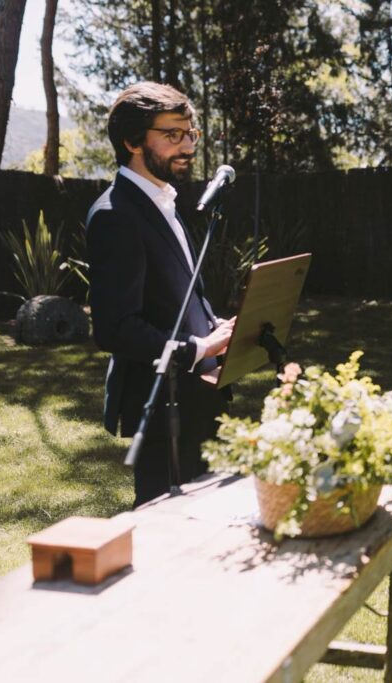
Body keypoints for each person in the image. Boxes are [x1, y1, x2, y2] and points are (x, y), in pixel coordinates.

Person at [86, 82, 234, 507]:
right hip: (161, 408)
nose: (187, 146)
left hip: (201, 397)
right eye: (173, 135)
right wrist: (197, 348)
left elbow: (184, 290)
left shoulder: (164, 201)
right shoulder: (116, 215)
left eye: (191, 134)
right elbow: (115, 329)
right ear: (133, 141)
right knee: (164, 540)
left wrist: (214, 325)